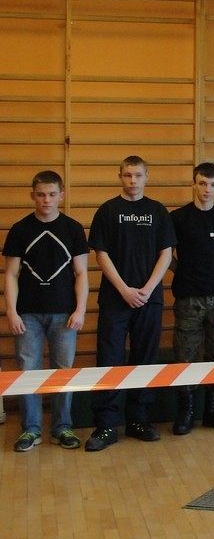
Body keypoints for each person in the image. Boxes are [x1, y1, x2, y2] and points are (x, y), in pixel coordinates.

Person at [85, 155, 176, 452]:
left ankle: (139, 419)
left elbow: (166, 254)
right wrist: (124, 290)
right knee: (109, 359)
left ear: (147, 176)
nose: (133, 180)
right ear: (120, 176)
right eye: (127, 175)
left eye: (138, 175)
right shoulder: (107, 211)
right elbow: (101, 254)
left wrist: (147, 289)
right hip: (115, 299)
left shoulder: (158, 211)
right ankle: (107, 424)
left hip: (149, 300)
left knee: (145, 358)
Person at [3, 171, 88, 451]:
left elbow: (81, 273)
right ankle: (31, 429)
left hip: (65, 314)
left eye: (52, 194)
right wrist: (12, 312)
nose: (46, 200)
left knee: (63, 371)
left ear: (61, 195)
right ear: (33, 196)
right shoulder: (20, 229)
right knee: (28, 370)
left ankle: (62, 427)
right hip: (27, 315)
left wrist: (80, 310)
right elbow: (11, 274)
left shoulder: (73, 229)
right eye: (41, 195)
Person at [169, 163, 214, 435]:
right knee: (185, 355)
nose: (207, 189)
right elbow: (168, 257)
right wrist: (185, 273)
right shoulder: (178, 218)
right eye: (202, 183)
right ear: (194, 184)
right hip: (188, 297)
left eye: (212, 185)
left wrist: (213, 276)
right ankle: (186, 412)